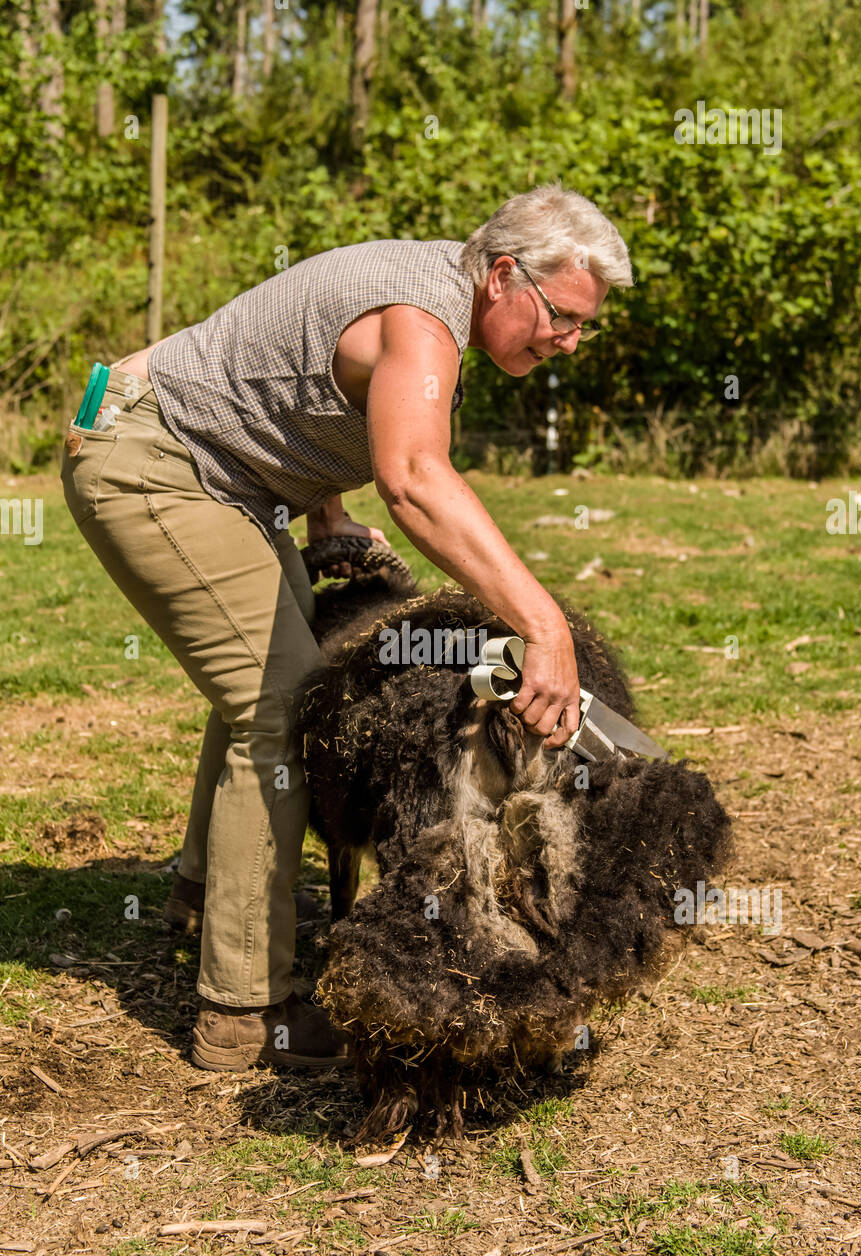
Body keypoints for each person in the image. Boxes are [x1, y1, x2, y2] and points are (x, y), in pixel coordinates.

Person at [60, 182, 633, 1073]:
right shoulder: (422, 316)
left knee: (275, 661)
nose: (569, 339)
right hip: (151, 463)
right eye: (561, 316)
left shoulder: (425, 288)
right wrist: (543, 626)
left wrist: (324, 514)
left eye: (583, 326)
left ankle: (203, 891)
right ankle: (245, 1010)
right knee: (282, 702)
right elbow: (412, 479)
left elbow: (293, 393)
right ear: (505, 275)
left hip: (209, 469)